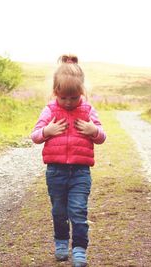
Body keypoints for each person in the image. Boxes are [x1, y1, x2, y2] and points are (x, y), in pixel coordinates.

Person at [31, 54, 106, 267]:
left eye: (74, 98)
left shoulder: (88, 110)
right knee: (59, 211)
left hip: (80, 173)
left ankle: (80, 249)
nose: (69, 102)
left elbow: (102, 136)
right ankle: (61, 242)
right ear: (56, 92)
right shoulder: (50, 110)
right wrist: (48, 130)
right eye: (64, 98)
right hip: (55, 172)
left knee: (78, 211)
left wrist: (93, 130)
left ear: (81, 93)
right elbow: (35, 136)